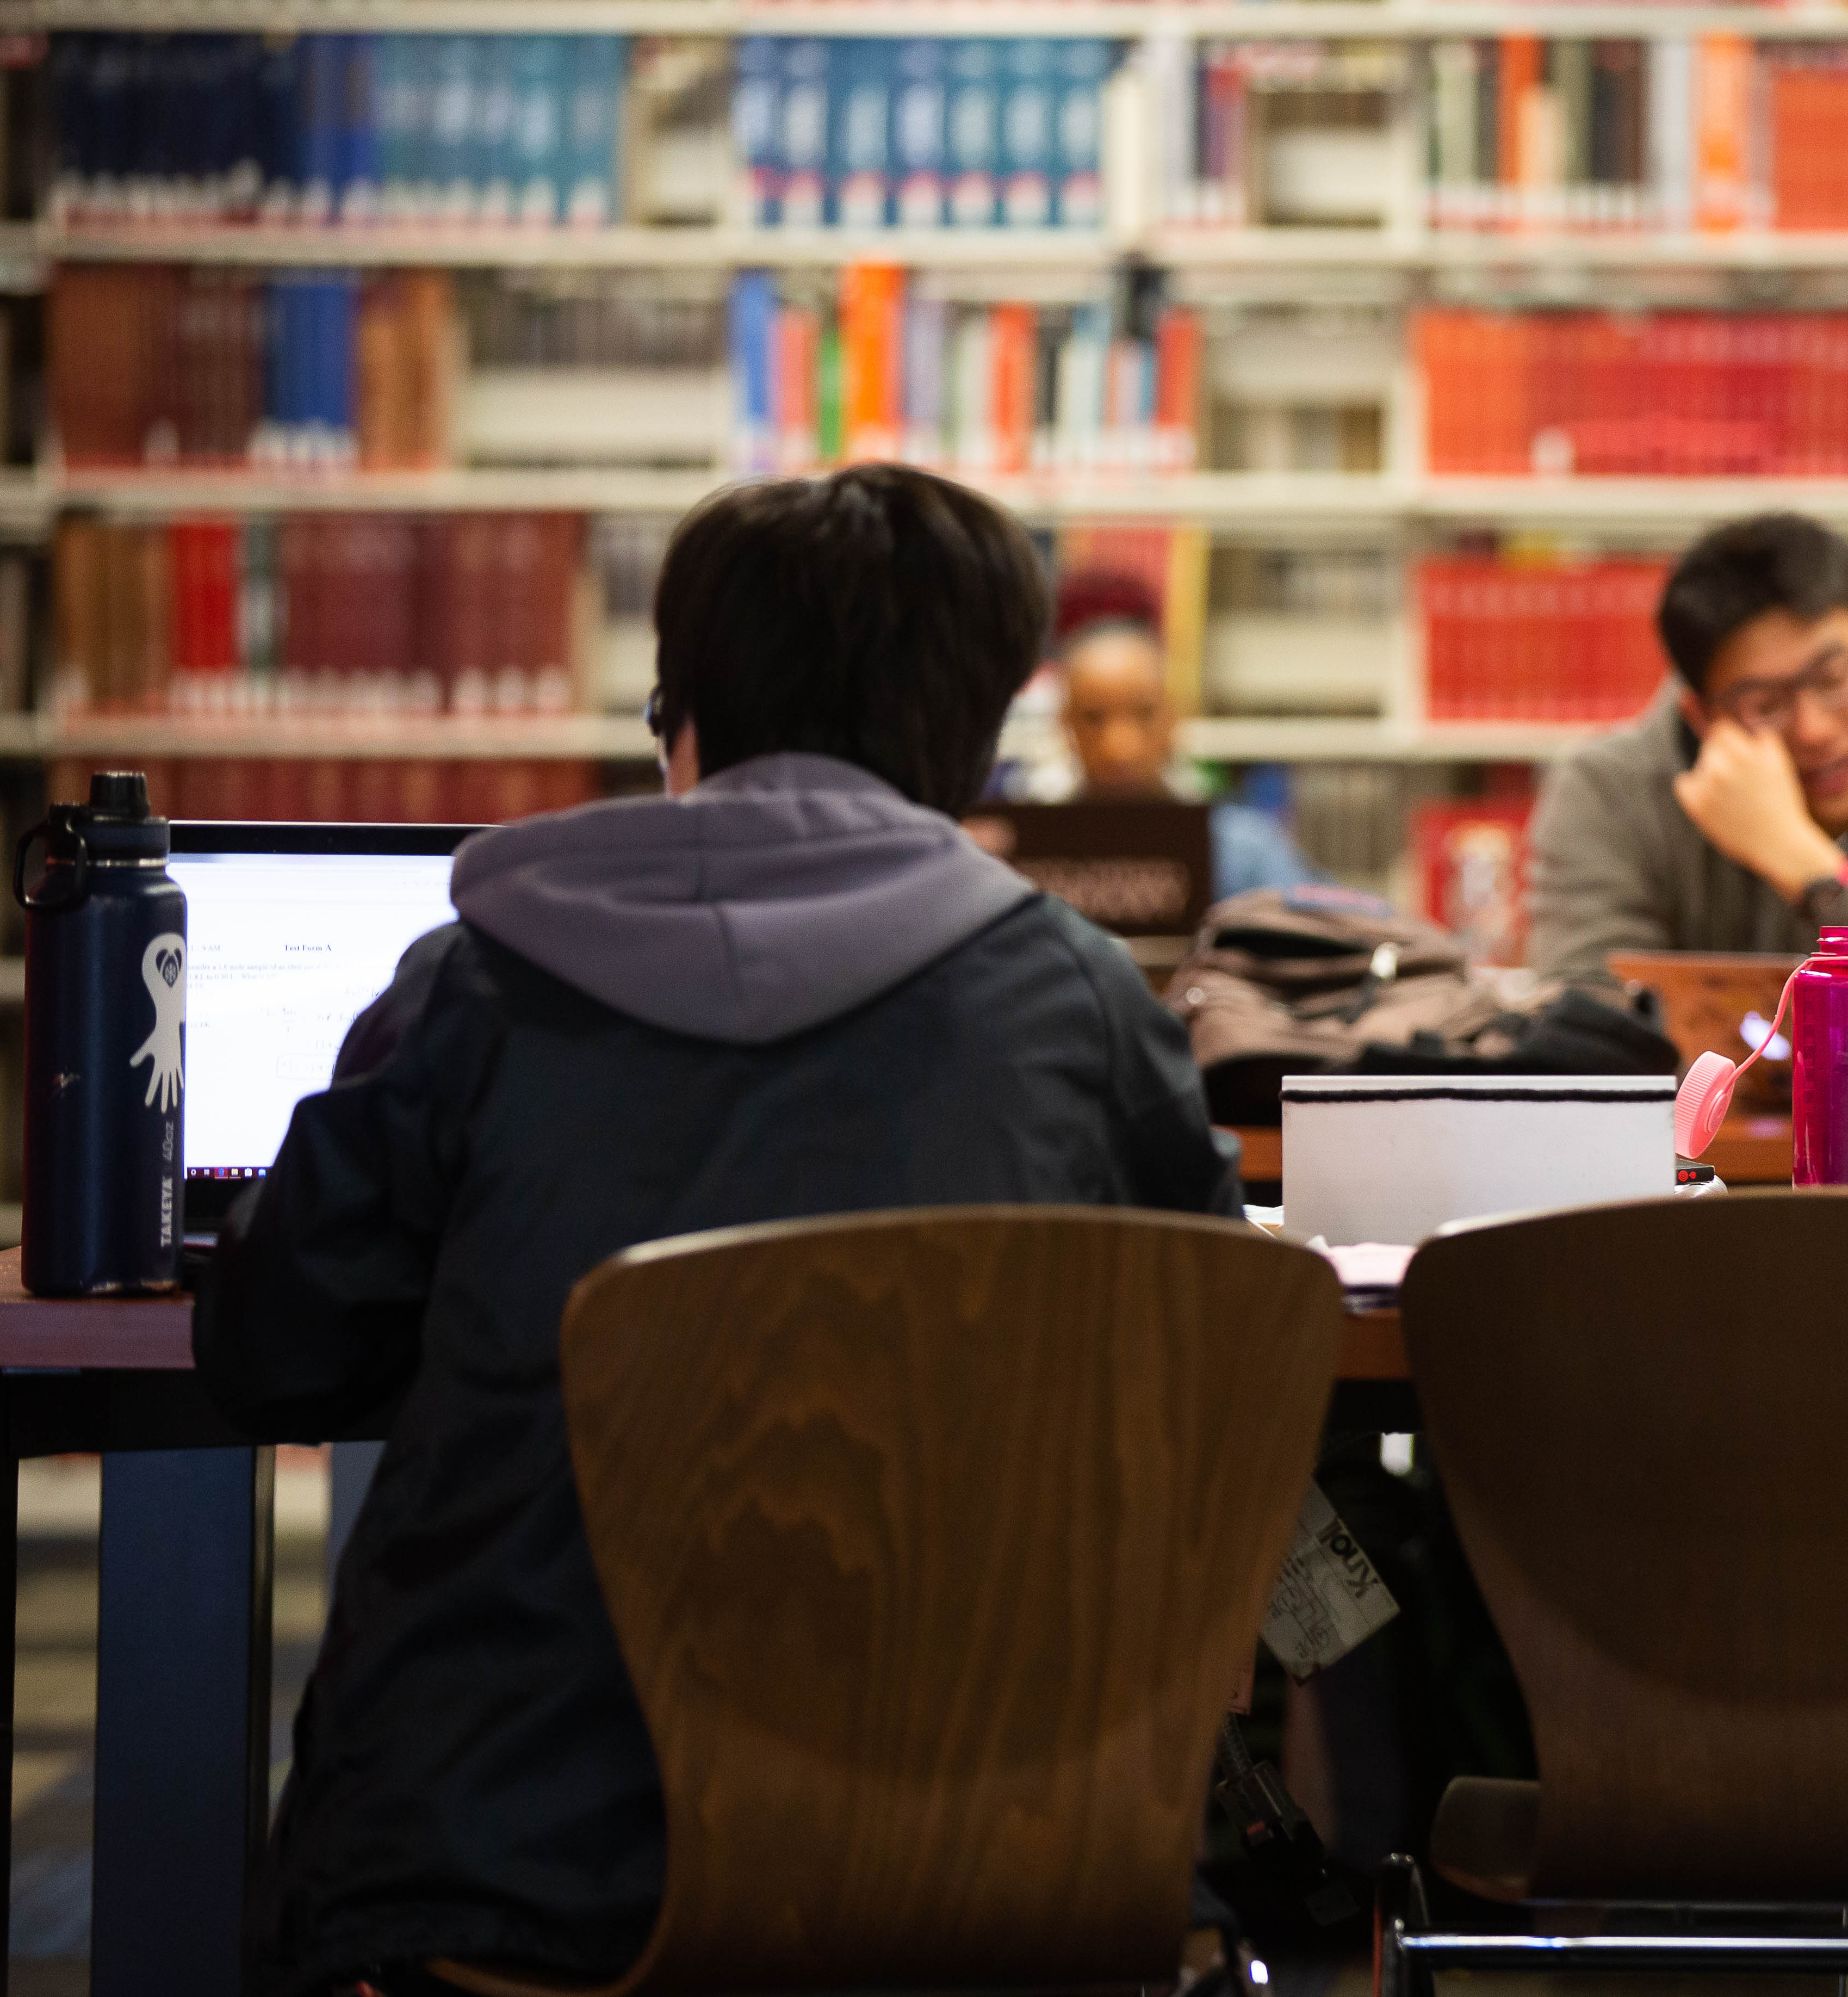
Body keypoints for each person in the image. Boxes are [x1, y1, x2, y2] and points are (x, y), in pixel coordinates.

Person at [192, 466, 1242, 1997]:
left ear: (682, 723)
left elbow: (271, 1353)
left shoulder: (475, 985)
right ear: (977, 739)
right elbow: (1216, 1388)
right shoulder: (1085, 1006)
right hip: (992, 1858)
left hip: (486, 1872)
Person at [1528, 512, 1848, 987]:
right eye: (1764, 705)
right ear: (1701, 716)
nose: (1813, 730)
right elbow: (1589, 1019)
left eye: (1833, 679)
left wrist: (1807, 865)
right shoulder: (1607, 794)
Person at [1050, 569, 1323, 901]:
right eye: (1094, 718)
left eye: (1143, 715)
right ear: (1065, 725)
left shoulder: (1242, 849)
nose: (1120, 748)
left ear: (1173, 720)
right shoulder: (1027, 854)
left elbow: (1334, 928)